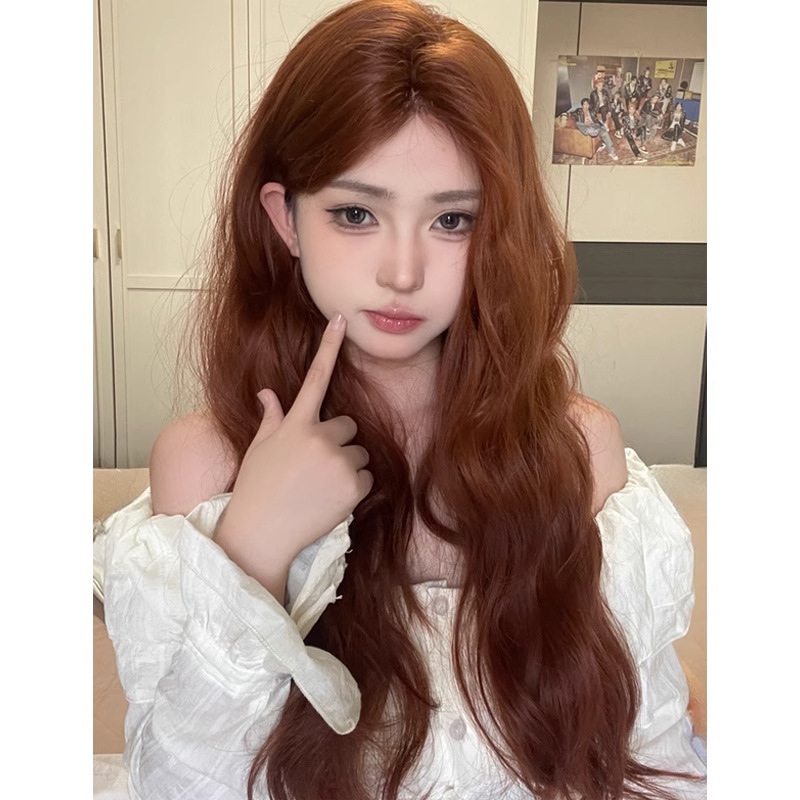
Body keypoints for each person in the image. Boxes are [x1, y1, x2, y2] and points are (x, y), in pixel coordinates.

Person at [94, 1, 706, 798]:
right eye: (355, 213)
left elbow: (647, 749)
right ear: (285, 219)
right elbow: (183, 784)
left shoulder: (577, 447)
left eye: (453, 219)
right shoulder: (206, 462)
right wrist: (251, 552)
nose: (403, 272)